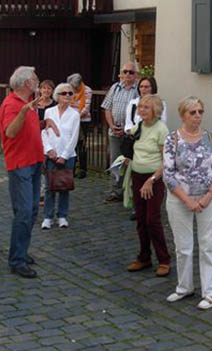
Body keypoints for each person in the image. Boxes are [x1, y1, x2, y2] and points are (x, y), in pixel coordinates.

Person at [163, 96, 212, 310]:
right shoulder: (173, 140)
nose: (197, 116)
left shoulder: (210, 137)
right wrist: (187, 200)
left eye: (200, 111)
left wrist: (208, 195)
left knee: (208, 245)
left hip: (208, 199)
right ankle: (184, 286)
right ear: (183, 115)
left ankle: (211, 292)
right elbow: (168, 174)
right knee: (183, 246)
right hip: (180, 200)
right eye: (193, 112)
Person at [0, 66, 46, 279]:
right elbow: (10, 132)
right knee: (24, 212)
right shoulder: (12, 104)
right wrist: (25, 111)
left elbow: (29, 131)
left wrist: (45, 123)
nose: (38, 81)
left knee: (32, 210)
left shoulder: (28, 104)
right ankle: (16, 259)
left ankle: (21, 252)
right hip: (20, 165)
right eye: (35, 78)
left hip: (34, 162)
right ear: (27, 83)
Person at [126, 94, 171, 277]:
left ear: (156, 111)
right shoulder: (139, 127)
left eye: (146, 107)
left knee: (152, 220)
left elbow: (166, 161)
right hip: (137, 176)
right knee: (141, 220)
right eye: (140, 107)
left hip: (153, 179)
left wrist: (151, 180)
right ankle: (144, 257)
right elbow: (134, 149)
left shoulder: (162, 130)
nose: (142, 110)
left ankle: (164, 260)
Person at [40, 83, 80, 230]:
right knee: (49, 187)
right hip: (51, 154)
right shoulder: (49, 112)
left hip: (68, 155)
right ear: (57, 96)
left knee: (64, 186)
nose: (68, 96)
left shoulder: (74, 114)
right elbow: (44, 132)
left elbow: (74, 137)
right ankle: (47, 217)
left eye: (70, 93)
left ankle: (62, 216)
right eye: (64, 93)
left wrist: (64, 155)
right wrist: (49, 150)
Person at [101, 62, 140, 203]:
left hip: (131, 134)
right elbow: (107, 108)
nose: (128, 75)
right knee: (115, 162)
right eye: (125, 72)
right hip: (114, 132)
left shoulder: (139, 90)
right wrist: (111, 126)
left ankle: (129, 191)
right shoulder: (115, 88)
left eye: (131, 72)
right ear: (121, 74)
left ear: (136, 75)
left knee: (131, 162)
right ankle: (115, 191)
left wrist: (127, 127)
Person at [67, 73, 92, 179]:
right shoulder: (68, 89)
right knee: (71, 144)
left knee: (82, 145)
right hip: (70, 121)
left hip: (83, 120)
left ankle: (82, 169)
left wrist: (76, 118)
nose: (74, 89)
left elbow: (86, 107)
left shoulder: (87, 90)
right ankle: (71, 168)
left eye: (75, 88)